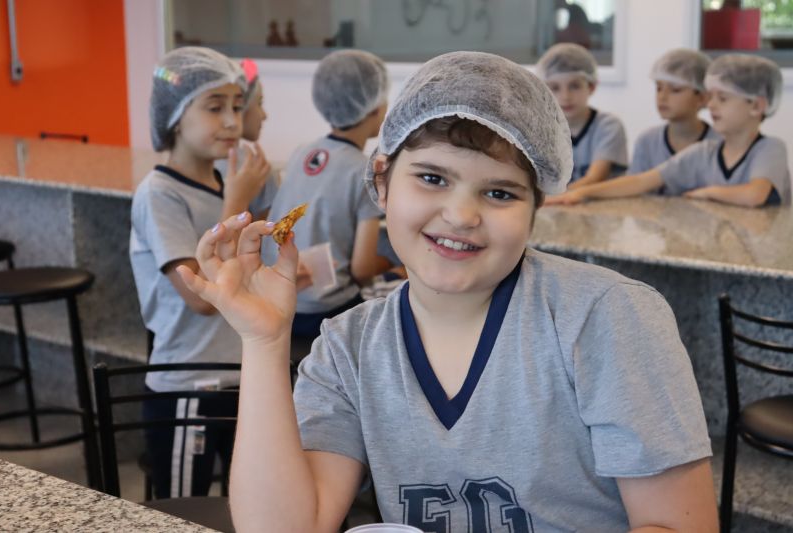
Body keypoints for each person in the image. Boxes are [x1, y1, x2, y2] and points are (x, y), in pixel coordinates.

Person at [179, 51, 718, 532]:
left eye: (500, 193)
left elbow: (677, 524)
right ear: (382, 181)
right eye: (432, 178)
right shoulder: (348, 350)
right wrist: (264, 343)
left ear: (537, 207)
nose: (461, 215)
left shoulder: (605, 319)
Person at [129, 46, 303, 498]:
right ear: (174, 117)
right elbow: (202, 297)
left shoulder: (227, 182)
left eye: (237, 106)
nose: (231, 121)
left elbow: (246, 270)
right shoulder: (160, 193)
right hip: (189, 385)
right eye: (214, 107)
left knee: (245, 503)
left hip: (239, 375)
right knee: (183, 512)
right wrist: (238, 202)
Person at [261, 49, 391, 340]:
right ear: (374, 107)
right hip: (327, 312)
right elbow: (362, 271)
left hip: (280, 300)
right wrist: (392, 266)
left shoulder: (301, 153)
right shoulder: (365, 170)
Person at [547, 54, 790, 208]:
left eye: (723, 98)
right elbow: (640, 181)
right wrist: (581, 193)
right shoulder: (702, 151)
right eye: (712, 97)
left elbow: (755, 194)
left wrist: (708, 193)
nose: (712, 105)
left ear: (757, 106)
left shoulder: (771, 148)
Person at [536, 42, 628, 189]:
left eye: (574, 86)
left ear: (591, 86)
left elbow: (595, 179)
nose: (565, 96)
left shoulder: (608, 126)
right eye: (555, 88)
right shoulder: (541, 130)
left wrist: (552, 198)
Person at [629, 48, 720, 176]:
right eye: (659, 88)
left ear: (702, 98)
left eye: (675, 90)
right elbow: (633, 184)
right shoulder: (647, 141)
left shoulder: (720, 143)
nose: (662, 97)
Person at [215, 58, 278, 222]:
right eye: (259, 103)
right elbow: (268, 233)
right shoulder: (257, 169)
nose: (264, 115)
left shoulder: (203, 163)